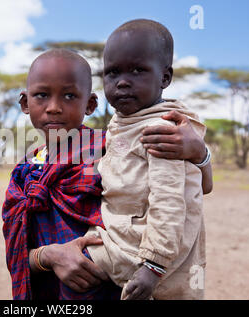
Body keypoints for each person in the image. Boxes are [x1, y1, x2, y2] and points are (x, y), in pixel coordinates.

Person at [2, 48, 212, 300]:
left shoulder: (111, 149)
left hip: (114, 285)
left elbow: (194, 190)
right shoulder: (24, 173)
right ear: (26, 103)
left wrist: (199, 153)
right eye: (42, 95)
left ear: (89, 104)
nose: (54, 108)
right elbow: (16, 251)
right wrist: (47, 256)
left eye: (69, 95)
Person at [85, 19, 209, 300]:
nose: (123, 81)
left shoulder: (162, 130)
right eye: (112, 72)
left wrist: (152, 266)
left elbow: (169, 203)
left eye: (138, 70)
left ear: (165, 78)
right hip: (125, 242)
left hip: (156, 260)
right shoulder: (122, 122)